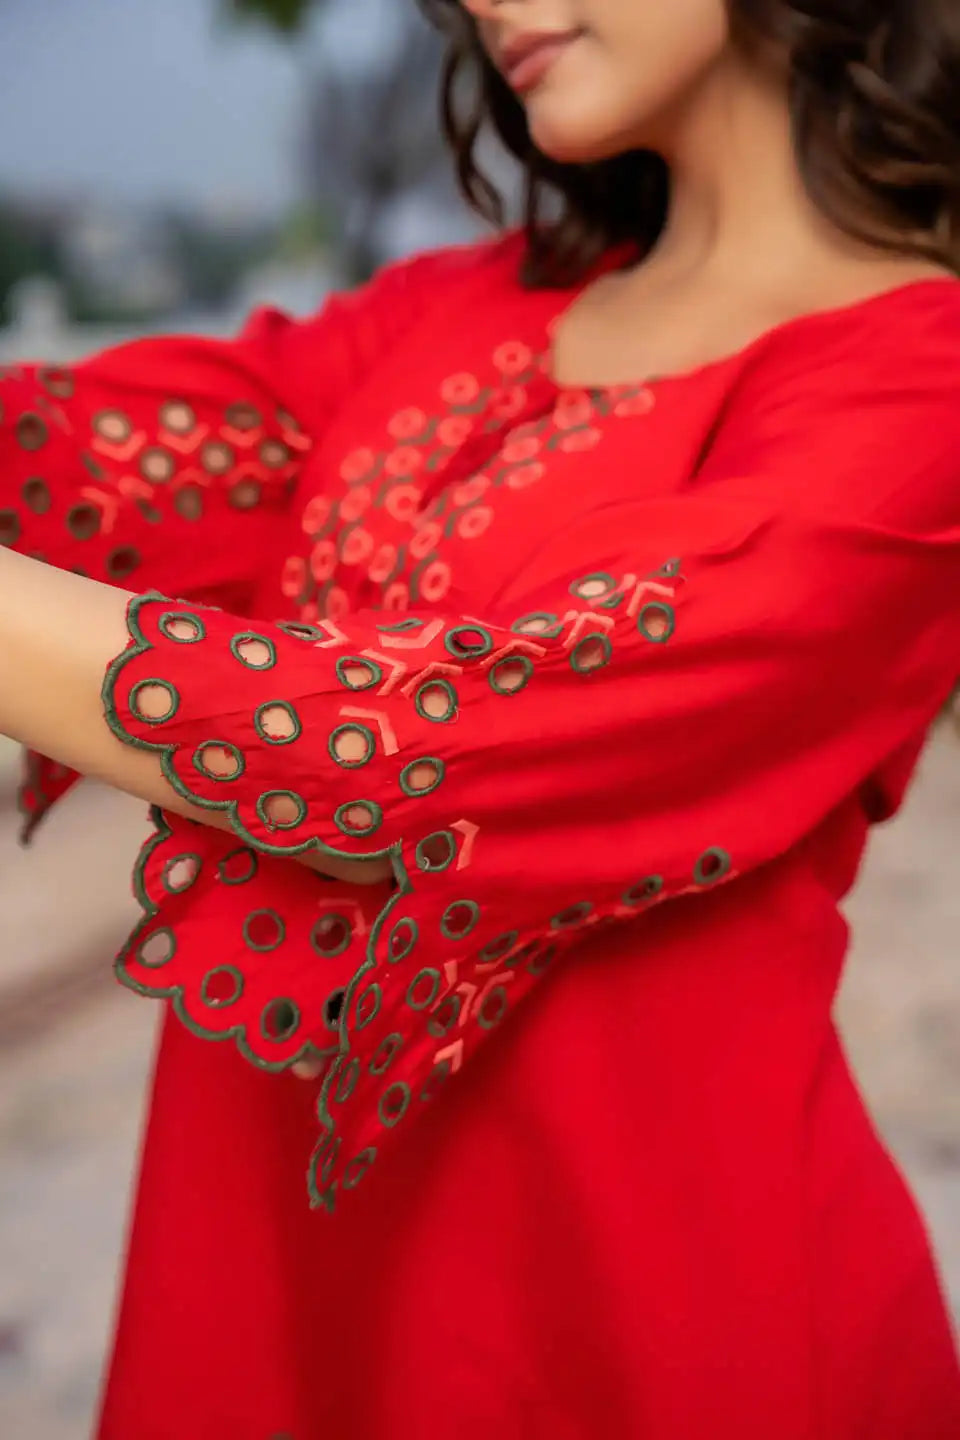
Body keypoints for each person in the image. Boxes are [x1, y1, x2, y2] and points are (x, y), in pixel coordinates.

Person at [1, 0, 959, 1434]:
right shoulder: (457, 309)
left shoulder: (916, 388)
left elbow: (412, 752)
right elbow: (67, 456)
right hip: (273, 1298)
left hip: (652, 1336)